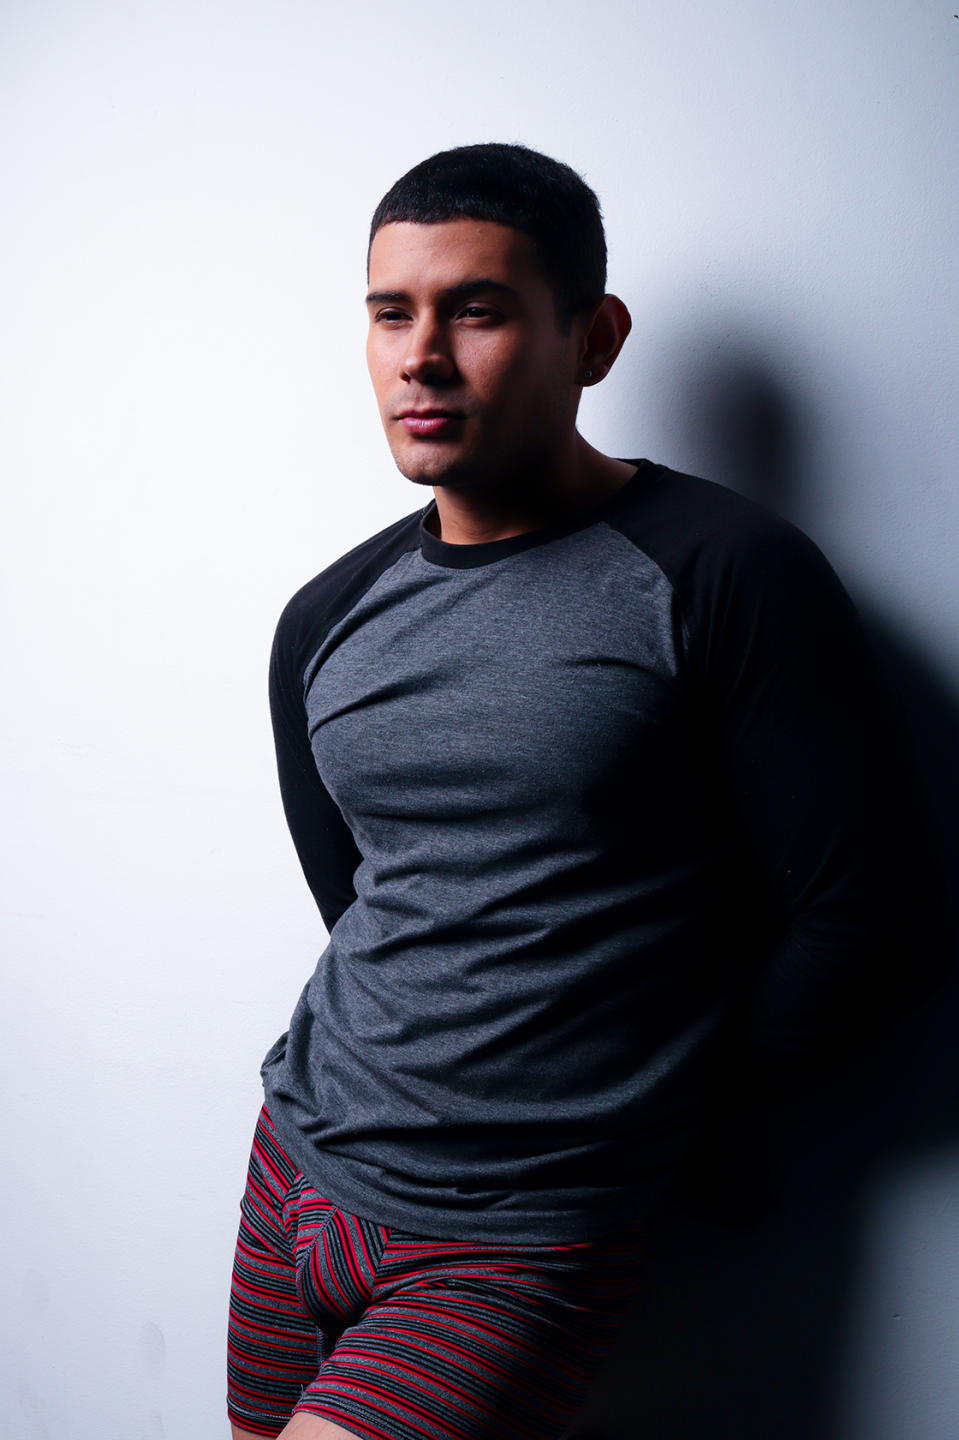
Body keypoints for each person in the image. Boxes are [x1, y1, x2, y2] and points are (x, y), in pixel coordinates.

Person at [227, 143, 939, 1440]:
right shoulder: (325, 617)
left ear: (593, 339)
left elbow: (865, 917)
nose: (420, 357)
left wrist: (669, 1107)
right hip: (295, 1173)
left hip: (516, 1231)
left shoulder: (723, 571)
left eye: (476, 310)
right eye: (390, 313)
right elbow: (364, 900)